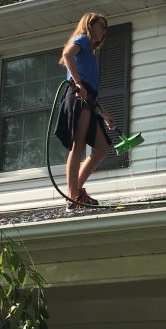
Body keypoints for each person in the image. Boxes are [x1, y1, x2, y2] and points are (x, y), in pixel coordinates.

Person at [54, 13, 115, 207]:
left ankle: (75, 193)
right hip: (77, 98)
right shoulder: (81, 39)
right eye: (100, 26)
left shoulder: (91, 53)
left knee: (102, 147)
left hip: (88, 99)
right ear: (89, 25)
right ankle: (73, 196)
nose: (104, 31)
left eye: (105, 27)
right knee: (78, 146)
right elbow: (67, 54)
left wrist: (104, 113)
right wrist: (78, 83)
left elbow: (90, 90)